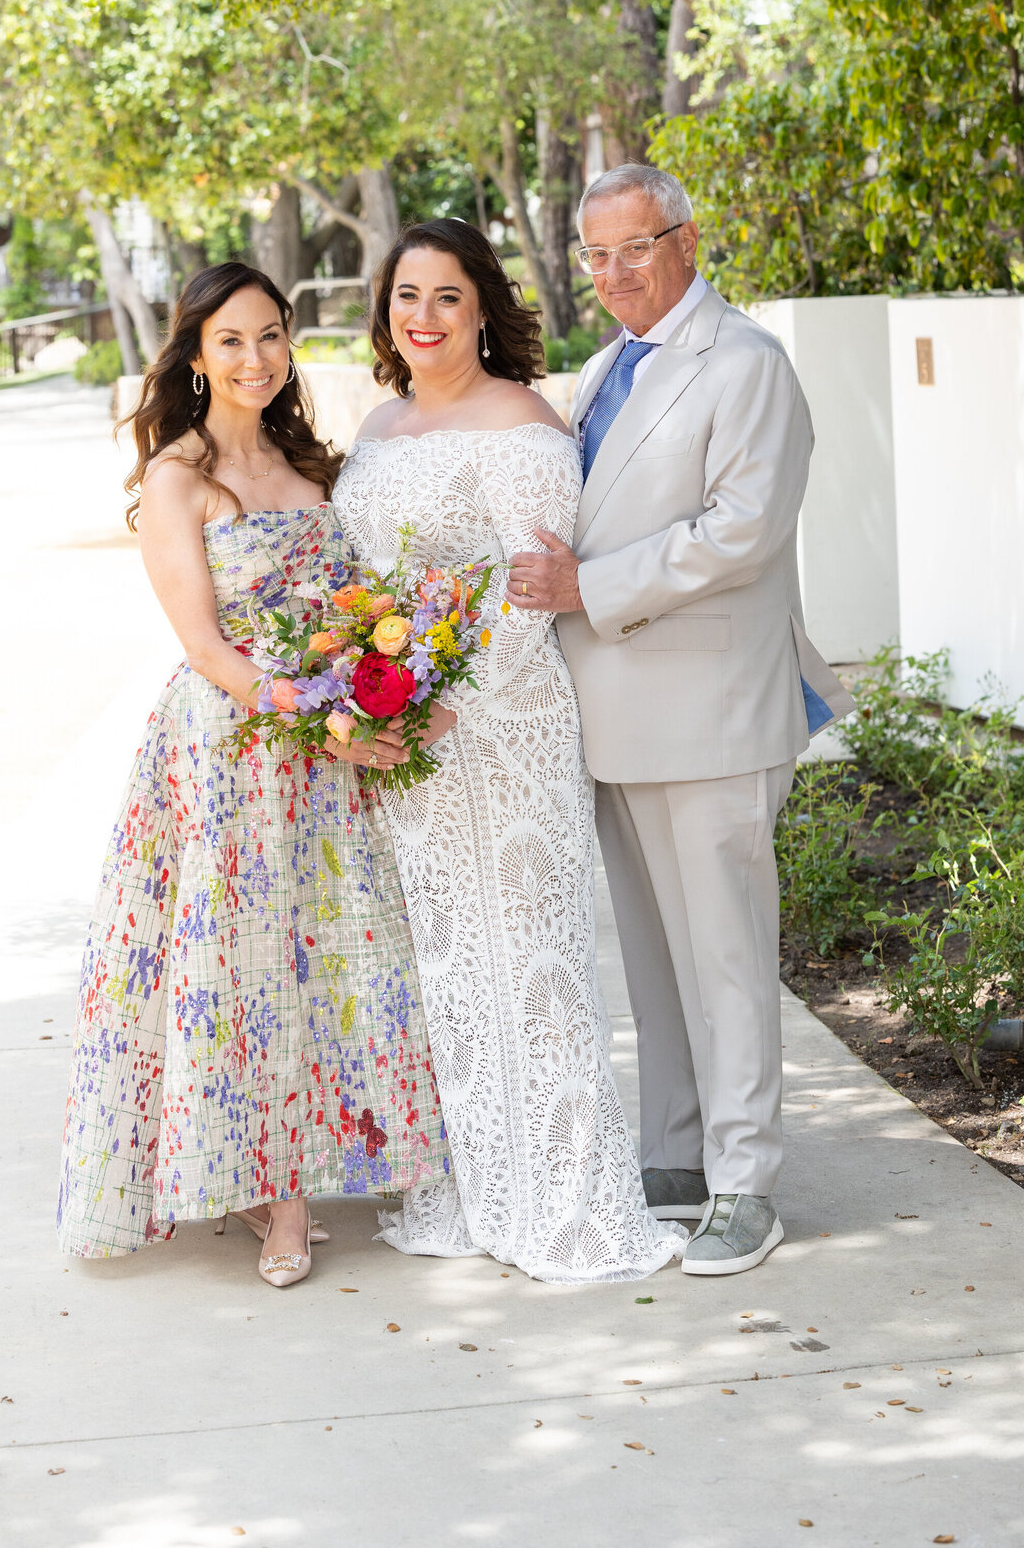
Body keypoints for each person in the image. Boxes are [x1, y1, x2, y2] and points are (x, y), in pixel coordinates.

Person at [58, 262, 448, 1287]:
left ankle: (307, 1161)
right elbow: (207, 647)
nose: (254, 358)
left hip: (326, 764)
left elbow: (359, 608)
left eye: (271, 335)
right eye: (230, 340)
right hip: (229, 757)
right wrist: (322, 718)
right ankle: (278, 1202)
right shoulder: (177, 478)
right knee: (238, 973)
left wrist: (374, 703)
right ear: (195, 352)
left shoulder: (315, 467)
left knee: (321, 965)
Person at [507, 164, 852, 1276]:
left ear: (687, 241)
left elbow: (742, 531)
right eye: (594, 257)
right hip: (610, 711)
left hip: (709, 707)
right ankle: (673, 1154)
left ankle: (746, 1183)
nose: (613, 275)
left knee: (728, 959)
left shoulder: (745, 363)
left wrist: (587, 592)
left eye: (635, 249)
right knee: (653, 960)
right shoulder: (605, 369)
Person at [333, 218, 680, 1283]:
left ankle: (569, 1207)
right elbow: (360, 587)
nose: (424, 318)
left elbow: (530, 594)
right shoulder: (378, 426)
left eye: (447, 296)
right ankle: (478, 1192)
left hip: (503, 727)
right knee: (443, 965)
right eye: (407, 297)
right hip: (406, 745)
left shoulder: (523, 422)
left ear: (483, 306)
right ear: (385, 311)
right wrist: (372, 704)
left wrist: (449, 702)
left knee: (532, 963)